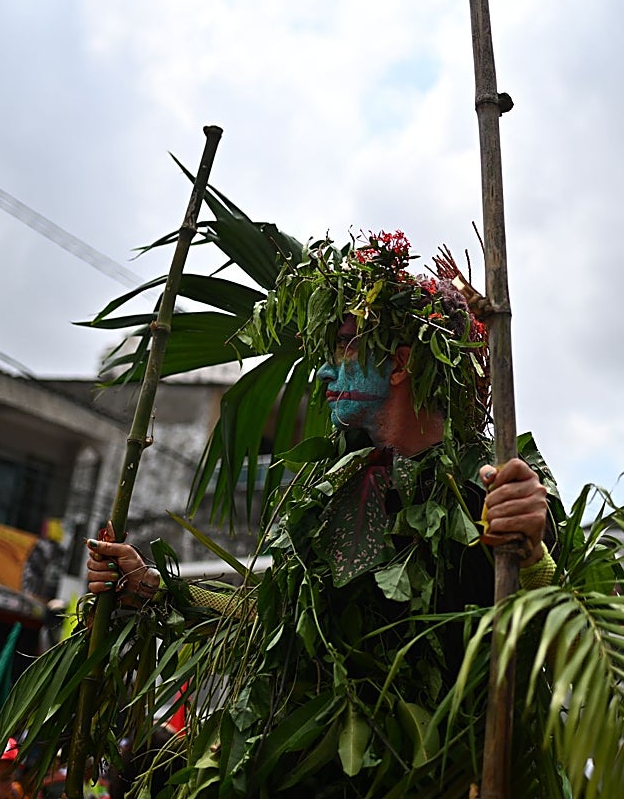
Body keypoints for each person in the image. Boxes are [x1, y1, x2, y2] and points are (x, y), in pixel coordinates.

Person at [85, 231, 556, 794]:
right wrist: (154, 588)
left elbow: (560, 626)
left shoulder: (494, 478)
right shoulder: (337, 488)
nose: (326, 373)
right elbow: (267, 620)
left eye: (346, 347)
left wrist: (532, 547)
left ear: (402, 362)